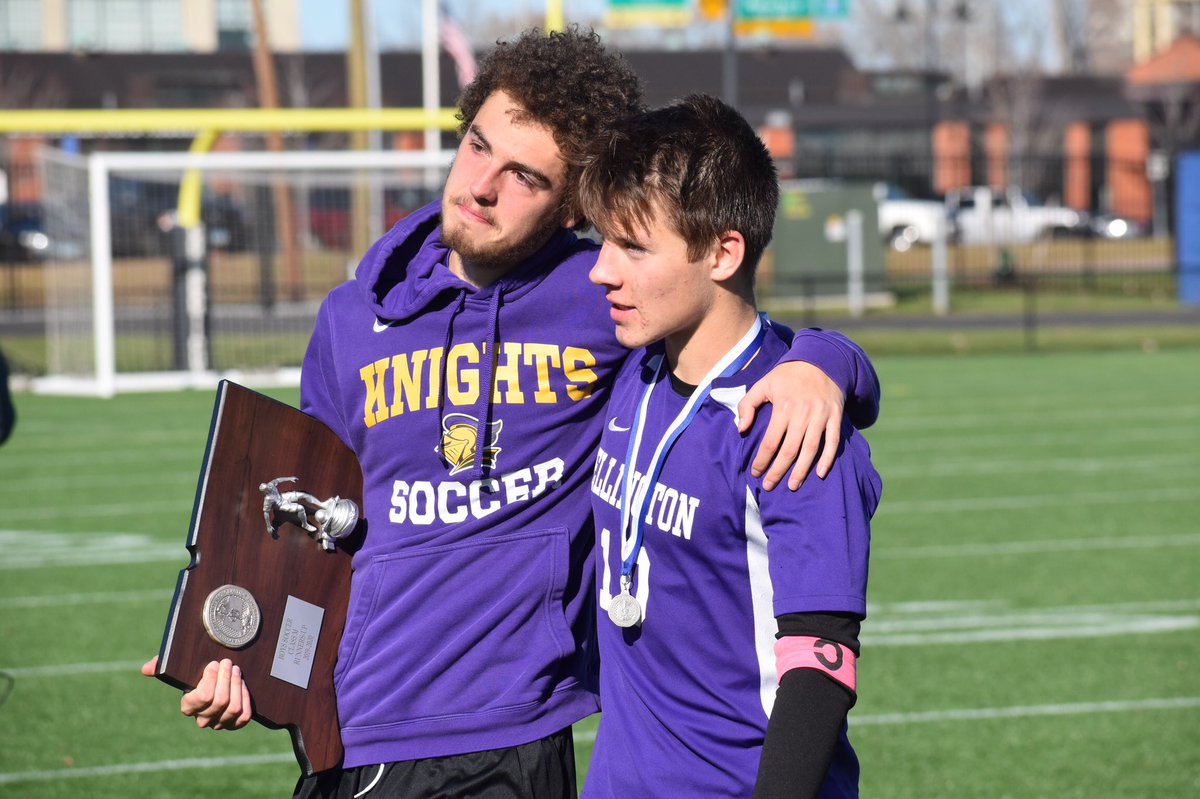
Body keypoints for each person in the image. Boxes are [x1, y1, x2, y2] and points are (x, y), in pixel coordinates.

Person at [143, 29, 879, 798]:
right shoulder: (349, 318)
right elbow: (307, 521)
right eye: (476, 146)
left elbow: (738, 336)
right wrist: (244, 657)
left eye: (524, 175)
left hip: (516, 736)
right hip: (360, 722)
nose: (481, 185)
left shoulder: (604, 301)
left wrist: (827, 364)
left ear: (571, 208)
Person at [577, 94, 880, 798]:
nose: (602, 270)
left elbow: (819, 668)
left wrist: (832, 365)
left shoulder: (794, 422)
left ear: (722, 251)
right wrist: (840, 355)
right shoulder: (636, 367)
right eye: (603, 242)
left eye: (633, 246)